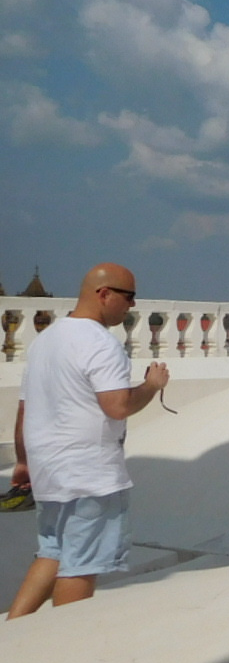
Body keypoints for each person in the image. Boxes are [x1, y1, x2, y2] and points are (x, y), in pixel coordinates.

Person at [7, 264, 169, 619]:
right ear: (104, 294)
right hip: (89, 475)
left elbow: (24, 409)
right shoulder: (100, 343)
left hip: (49, 472)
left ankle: (12, 632)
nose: (132, 305)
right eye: (129, 296)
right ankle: (65, 642)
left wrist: (23, 462)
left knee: (52, 552)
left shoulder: (45, 340)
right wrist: (152, 385)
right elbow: (118, 406)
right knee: (80, 564)